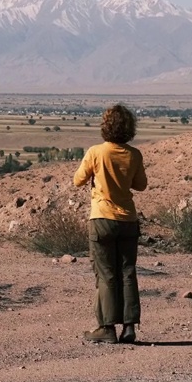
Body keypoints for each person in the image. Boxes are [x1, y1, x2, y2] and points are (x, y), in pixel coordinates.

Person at [72, 104, 147, 344]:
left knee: (106, 275)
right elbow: (141, 185)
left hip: (102, 218)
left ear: (105, 126)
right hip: (128, 220)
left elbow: (77, 180)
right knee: (127, 273)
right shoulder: (134, 154)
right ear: (129, 128)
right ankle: (129, 327)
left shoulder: (96, 152)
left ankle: (106, 327)